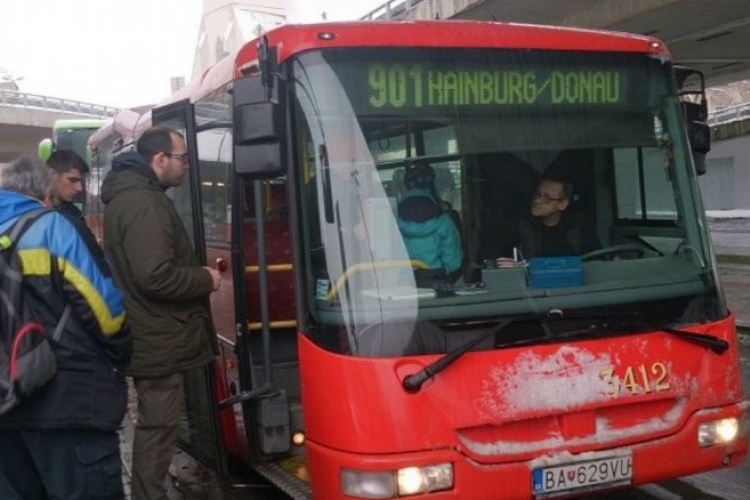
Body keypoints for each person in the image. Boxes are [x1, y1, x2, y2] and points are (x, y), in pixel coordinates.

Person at [100, 126, 220, 500]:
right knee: (158, 431)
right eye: (182, 158)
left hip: (154, 334)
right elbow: (155, 276)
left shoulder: (134, 197)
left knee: (158, 428)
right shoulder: (143, 203)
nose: (187, 166)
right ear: (160, 159)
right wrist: (204, 278)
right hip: (158, 338)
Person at [0, 155, 130, 499]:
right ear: (45, 191)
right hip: (68, 402)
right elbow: (105, 312)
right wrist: (121, 355)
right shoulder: (53, 227)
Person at [396, 163, 463, 284]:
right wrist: (445, 275)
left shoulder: (392, 219)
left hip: (402, 281)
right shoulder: (443, 218)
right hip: (436, 279)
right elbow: (453, 260)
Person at [517, 176, 600, 258]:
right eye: (537, 194)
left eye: (547, 198)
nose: (537, 200)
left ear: (562, 204)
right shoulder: (522, 224)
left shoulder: (578, 225)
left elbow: (596, 259)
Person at [46, 149, 89, 218]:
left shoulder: (75, 215)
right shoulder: (30, 211)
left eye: (80, 182)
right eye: (73, 180)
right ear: (52, 175)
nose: (79, 188)